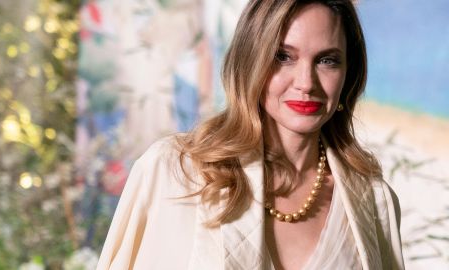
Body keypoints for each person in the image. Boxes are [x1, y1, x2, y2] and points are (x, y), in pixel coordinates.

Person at [96, 0, 404, 269]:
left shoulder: (374, 200)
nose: (306, 82)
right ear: (251, 60)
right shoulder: (173, 173)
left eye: (327, 60)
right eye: (283, 56)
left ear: (348, 75)